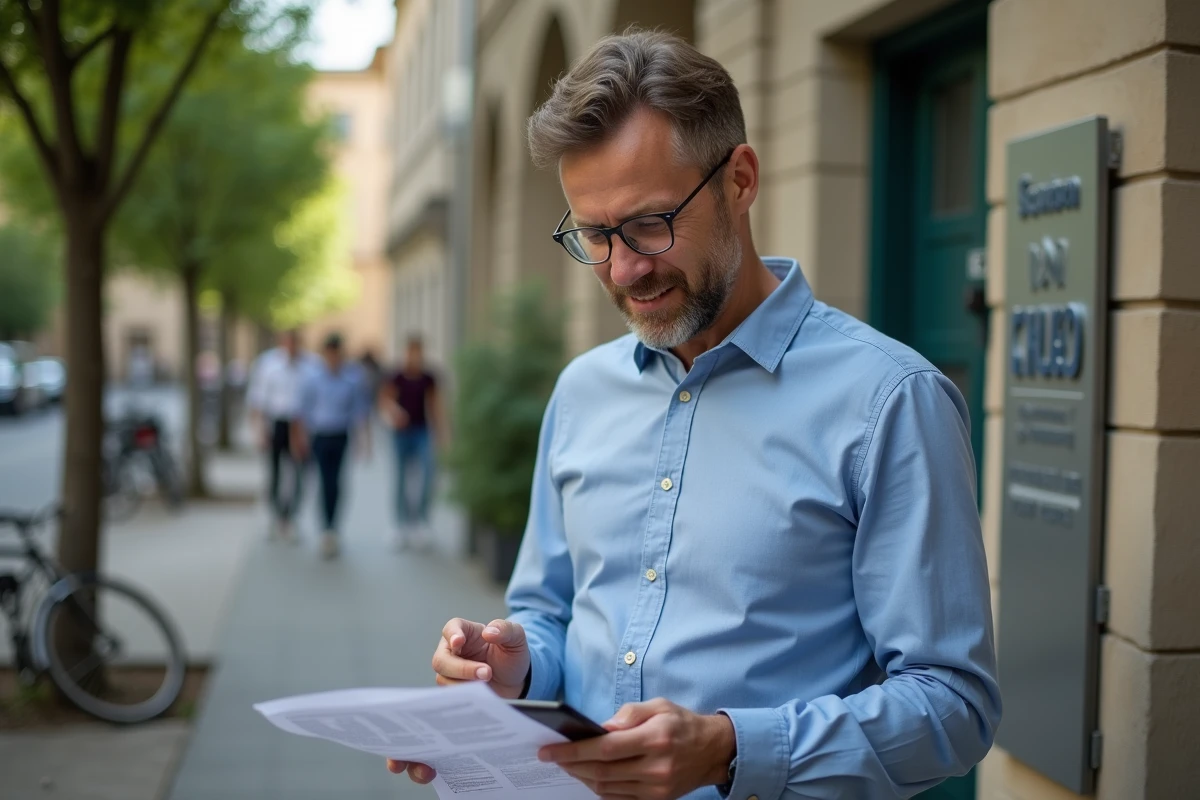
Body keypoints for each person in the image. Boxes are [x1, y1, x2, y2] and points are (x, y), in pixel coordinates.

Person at [389, 30, 1000, 800]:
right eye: (595, 235)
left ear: (740, 181)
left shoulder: (890, 400)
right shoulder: (580, 392)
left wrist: (733, 750)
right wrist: (515, 668)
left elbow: (954, 705)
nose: (624, 269)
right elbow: (549, 611)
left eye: (650, 224)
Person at [292, 333, 371, 560]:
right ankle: (326, 528)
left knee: (336, 482)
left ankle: (333, 526)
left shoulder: (351, 378)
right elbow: (302, 411)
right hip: (320, 435)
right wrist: (299, 438)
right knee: (324, 481)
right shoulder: (313, 378)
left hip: (340, 435)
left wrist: (365, 441)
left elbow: (360, 411)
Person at [245, 330, 314, 543]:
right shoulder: (269, 365)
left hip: (300, 425)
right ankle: (276, 517)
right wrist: (259, 431)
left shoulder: (311, 366)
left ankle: (291, 517)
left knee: (299, 474)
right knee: (275, 473)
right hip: (277, 423)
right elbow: (258, 400)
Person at [379, 335, 445, 551]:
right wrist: (395, 412)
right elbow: (385, 400)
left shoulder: (428, 377)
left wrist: (441, 434)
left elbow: (435, 405)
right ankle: (399, 524)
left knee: (427, 475)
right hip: (400, 433)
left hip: (421, 432)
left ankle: (421, 521)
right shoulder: (396, 376)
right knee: (400, 477)